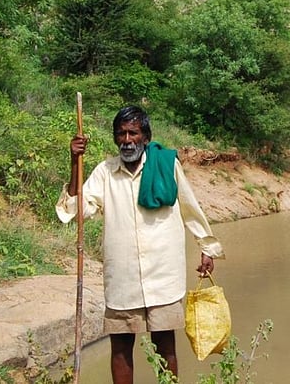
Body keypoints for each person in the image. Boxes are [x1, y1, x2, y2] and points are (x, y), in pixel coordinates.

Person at [56, 105, 224, 383]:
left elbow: (189, 206)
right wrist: (75, 161)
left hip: (163, 275)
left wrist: (207, 247)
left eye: (133, 133)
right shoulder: (105, 172)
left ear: (145, 136)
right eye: (121, 134)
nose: (127, 140)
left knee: (165, 345)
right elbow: (77, 208)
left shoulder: (166, 165)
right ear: (115, 138)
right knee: (121, 347)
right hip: (123, 279)